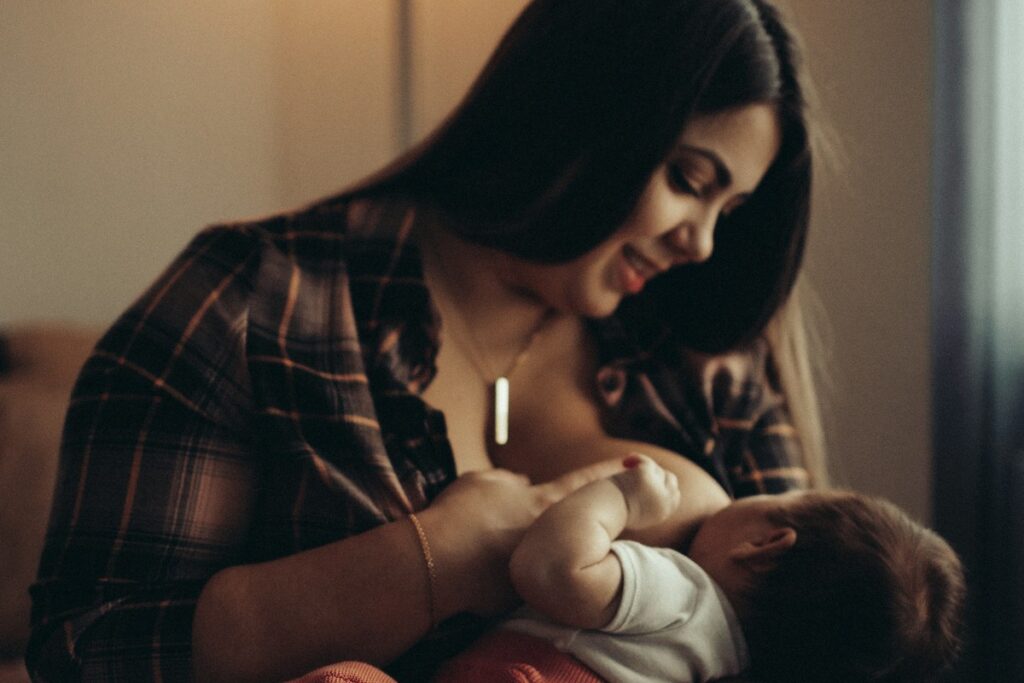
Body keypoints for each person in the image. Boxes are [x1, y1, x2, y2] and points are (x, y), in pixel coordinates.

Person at [29, 1, 826, 681]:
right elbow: (90, 649)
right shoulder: (247, 304)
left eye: (731, 209)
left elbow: (826, 631)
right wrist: (440, 560)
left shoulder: (707, 359)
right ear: (581, 111)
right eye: (689, 181)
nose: (703, 245)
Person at [434, 454, 966, 683]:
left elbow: (550, 571)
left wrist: (621, 497)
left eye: (776, 493)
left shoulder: (683, 598)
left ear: (763, 544)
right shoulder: (721, 666)